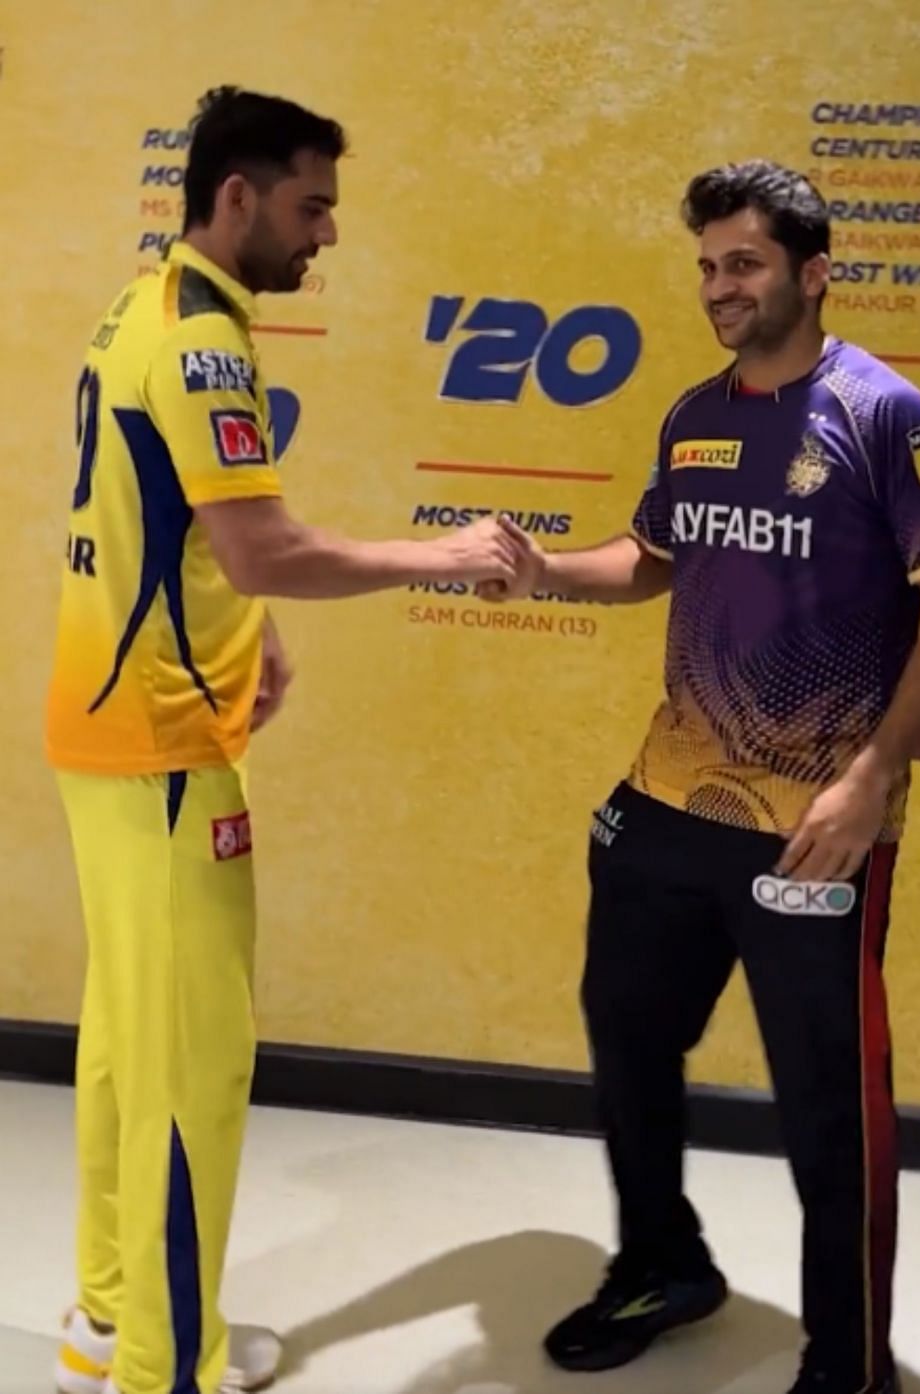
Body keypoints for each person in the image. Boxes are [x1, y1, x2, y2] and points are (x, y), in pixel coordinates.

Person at [47, 86, 520, 1394]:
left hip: (100, 732)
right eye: (313, 205)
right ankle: (170, 1363)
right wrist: (452, 551)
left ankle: (104, 1316)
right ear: (238, 196)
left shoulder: (133, 308)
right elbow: (261, 542)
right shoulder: (203, 338)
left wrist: (248, 637)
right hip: (161, 753)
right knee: (194, 1065)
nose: (326, 234)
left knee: (123, 1038)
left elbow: (175, 536)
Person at [490, 160, 920, 1394]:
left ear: (813, 272)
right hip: (669, 798)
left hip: (814, 825)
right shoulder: (694, 414)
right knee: (627, 1027)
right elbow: (649, 558)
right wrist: (545, 569)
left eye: (742, 263)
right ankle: (662, 1261)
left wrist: (871, 778)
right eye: (706, 264)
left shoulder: (890, 417)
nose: (718, 287)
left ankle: (849, 1362)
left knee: (828, 1111)